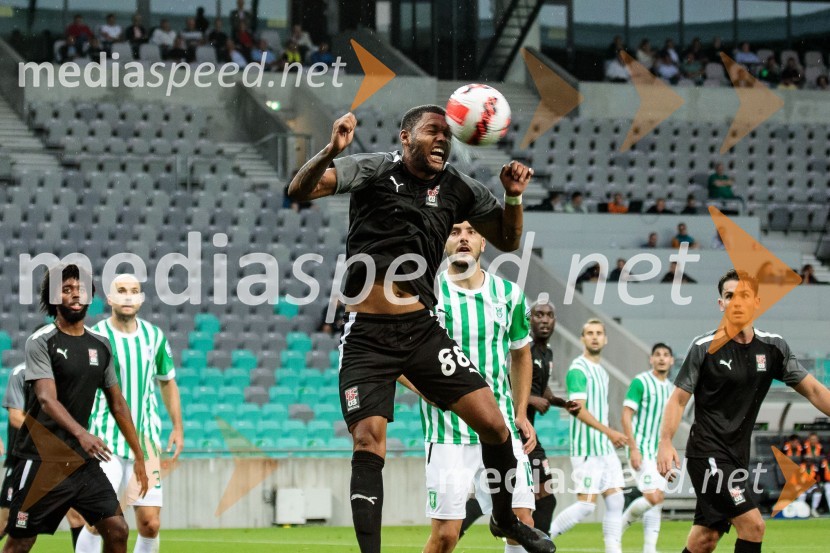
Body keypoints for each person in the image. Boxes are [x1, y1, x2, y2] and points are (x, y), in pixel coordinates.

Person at [286, 107, 552, 553]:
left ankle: (505, 517)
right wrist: (332, 149)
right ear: (406, 136)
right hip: (366, 334)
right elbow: (300, 189)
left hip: (421, 330)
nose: (443, 139)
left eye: (448, 134)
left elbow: (506, 240)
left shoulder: (458, 188)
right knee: (368, 441)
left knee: (495, 424)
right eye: (433, 131)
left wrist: (512, 197)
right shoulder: (374, 168)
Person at [657, 268, 830, 553]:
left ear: (756, 302)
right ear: (721, 303)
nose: (736, 302)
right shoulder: (704, 348)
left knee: (704, 540)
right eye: (729, 296)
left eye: (744, 296)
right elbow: (678, 400)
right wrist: (665, 442)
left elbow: (813, 390)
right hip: (707, 454)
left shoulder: (773, 348)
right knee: (753, 526)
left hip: (737, 458)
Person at [4, 264, 148, 553]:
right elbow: (47, 399)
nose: (74, 294)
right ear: (54, 299)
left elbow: (118, 404)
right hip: (40, 459)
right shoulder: (41, 341)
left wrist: (139, 455)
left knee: (117, 530)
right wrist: (83, 434)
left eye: (79, 289)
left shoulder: (101, 345)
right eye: (66, 289)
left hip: (80, 463)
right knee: (21, 542)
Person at [416, 221, 537, 553]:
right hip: (447, 433)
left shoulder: (509, 294)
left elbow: (522, 354)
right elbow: (397, 355)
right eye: (454, 232)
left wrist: (521, 411)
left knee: (521, 522)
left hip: (500, 430)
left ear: (484, 241)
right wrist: (426, 391)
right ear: (444, 242)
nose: (463, 238)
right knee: (446, 536)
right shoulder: (427, 293)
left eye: (471, 231)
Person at [75, 274, 183, 553]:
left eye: (134, 291)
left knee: (150, 524)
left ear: (141, 299)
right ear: (109, 299)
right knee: (99, 520)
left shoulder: (154, 336)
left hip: (145, 443)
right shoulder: (94, 337)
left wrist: (177, 427)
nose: (127, 296)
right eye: (121, 291)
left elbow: (167, 380)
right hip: (105, 442)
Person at [548, 319, 628, 553]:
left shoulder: (601, 372)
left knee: (616, 501)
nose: (594, 337)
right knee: (585, 506)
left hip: (605, 449)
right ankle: (543, 539)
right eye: (589, 333)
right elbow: (577, 409)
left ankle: (614, 550)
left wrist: (609, 434)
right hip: (586, 449)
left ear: (605, 339)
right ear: (582, 339)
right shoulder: (578, 369)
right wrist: (610, 431)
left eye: (599, 333)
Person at [523, 300, 579, 533]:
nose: (544, 319)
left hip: (527, 435)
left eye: (549, 315)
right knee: (541, 500)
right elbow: (503, 387)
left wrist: (561, 402)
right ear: (529, 320)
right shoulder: (522, 349)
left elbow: (541, 389)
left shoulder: (547, 353)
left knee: (540, 500)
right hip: (516, 433)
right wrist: (530, 399)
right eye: (538, 314)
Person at [620, 343, 675, 553]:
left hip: (659, 453)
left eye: (666, 355)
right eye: (657, 355)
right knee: (654, 497)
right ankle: (618, 529)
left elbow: (670, 425)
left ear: (671, 360)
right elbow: (626, 415)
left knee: (657, 501)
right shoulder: (640, 382)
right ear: (651, 359)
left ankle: (649, 549)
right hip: (641, 449)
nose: (661, 358)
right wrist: (633, 448)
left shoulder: (671, 390)